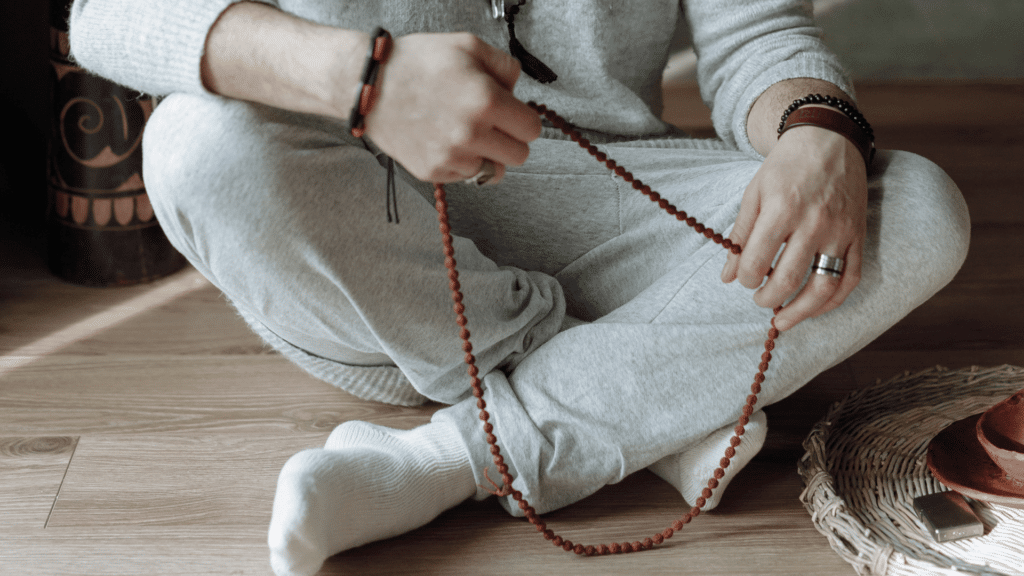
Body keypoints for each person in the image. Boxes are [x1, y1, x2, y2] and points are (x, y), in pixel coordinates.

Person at [69, 0, 970, 574]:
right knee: (198, 148)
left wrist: (821, 132)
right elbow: (109, 16)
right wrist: (363, 78)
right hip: (362, 217)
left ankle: (442, 460)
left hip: (610, 187)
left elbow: (755, 33)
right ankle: (642, 400)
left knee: (916, 208)